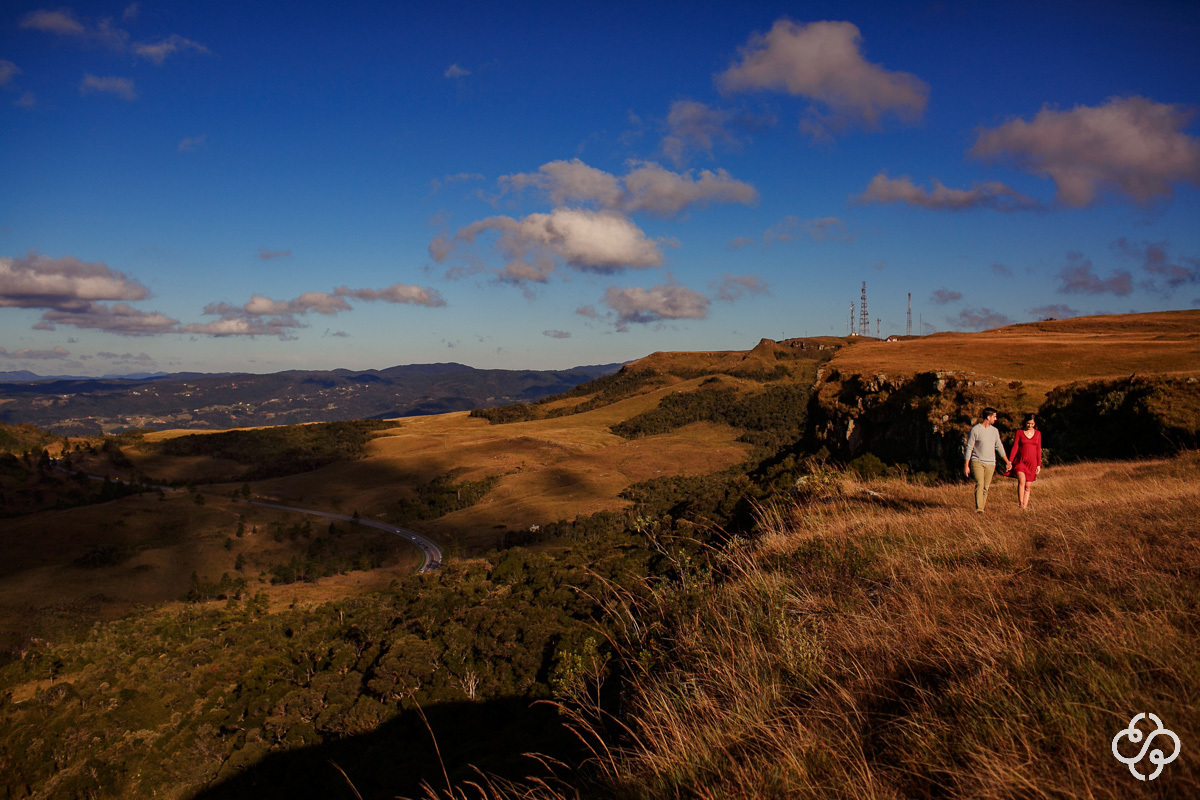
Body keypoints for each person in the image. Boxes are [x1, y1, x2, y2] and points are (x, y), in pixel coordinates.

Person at [963, 407, 1010, 513]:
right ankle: (979, 508)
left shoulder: (994, 431)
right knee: (980, 483)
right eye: (994, 416)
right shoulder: (975, 430)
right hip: (977, 461)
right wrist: (966, 465)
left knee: (986, 487)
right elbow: (969, 447)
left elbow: (999, 446)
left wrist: (1007, 461)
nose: (996, 419)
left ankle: (982, 509)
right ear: (988, 417)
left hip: (991, 463)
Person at [1006, 413, 1042, 509]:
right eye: (1028, 423)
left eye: (1032, 424)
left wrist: (1039, 465)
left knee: (1028, 486)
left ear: (1035, 424)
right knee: (1022, 480)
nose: (1030, 426)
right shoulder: (1019, 432)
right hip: (1020, 461)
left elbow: (1038, 449)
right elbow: (1015, 447)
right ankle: (1020, 503)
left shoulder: (1038, 434)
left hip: (1032, 463)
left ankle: (1024, 507)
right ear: (1025, 423)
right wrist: (1010, 461)